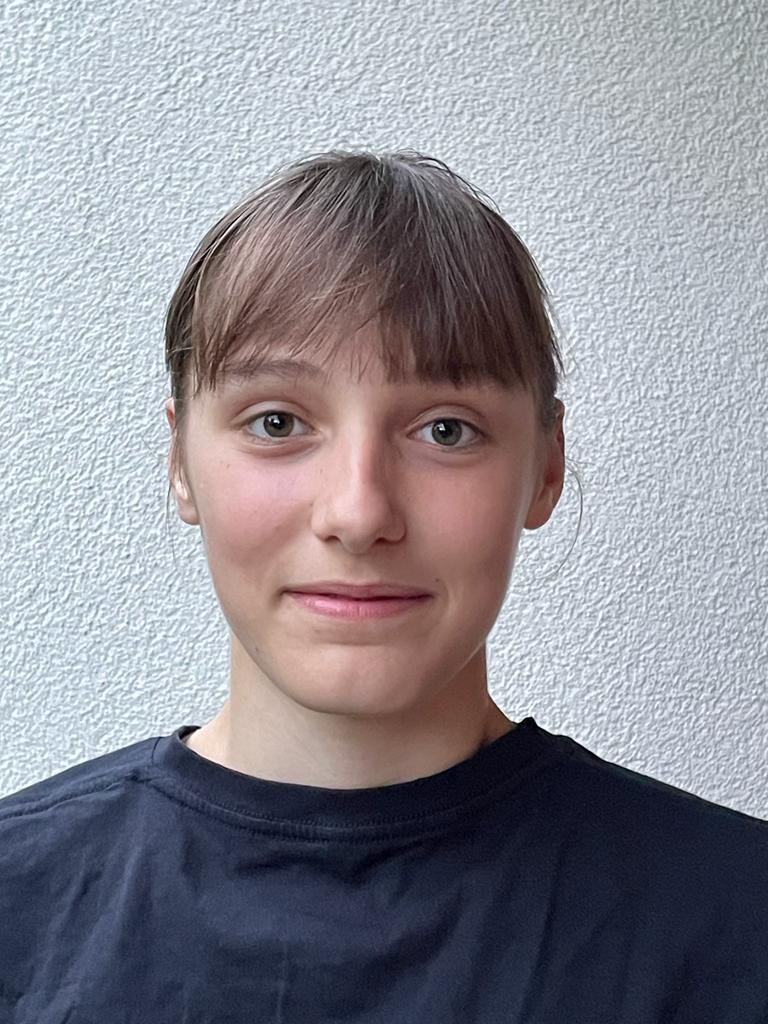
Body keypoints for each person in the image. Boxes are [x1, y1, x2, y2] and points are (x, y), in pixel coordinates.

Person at [0, 150, 765, 1024]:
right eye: (277, 422)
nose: (359, 513)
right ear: (180, 461)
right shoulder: (20, 910)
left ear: (546, 467)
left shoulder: (737, 923)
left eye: (446, 430)